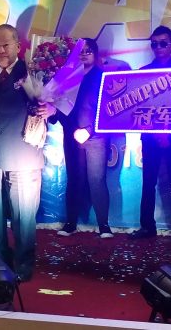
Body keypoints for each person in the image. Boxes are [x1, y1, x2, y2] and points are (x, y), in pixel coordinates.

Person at [0, 24, 54, 282]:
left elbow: (53, 106)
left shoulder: (33, 71)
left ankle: (24, 260)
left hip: (23, 150)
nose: (0, 50)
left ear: (18, 46)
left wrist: (51, 109)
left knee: (23, 213)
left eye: (5, 45)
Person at [130, 26, 171, 241]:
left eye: (163, 43)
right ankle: (147, 227)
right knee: (148, 182)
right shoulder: (143, 72)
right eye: (154, 43)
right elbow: (138, 106)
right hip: (150, 135)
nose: (158, 47)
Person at [56, 38, 113, 238]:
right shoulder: (69, 78)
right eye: (81, 51)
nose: (84, 54)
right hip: (72, 135)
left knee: (97, 180)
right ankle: (70, 223)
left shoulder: (103, 77)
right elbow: (60, 107)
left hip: (96, 137)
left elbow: (108, 109)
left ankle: (104, 225)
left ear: (95, 54)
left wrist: (90, 130)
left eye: (89, 50)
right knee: (74, 178)